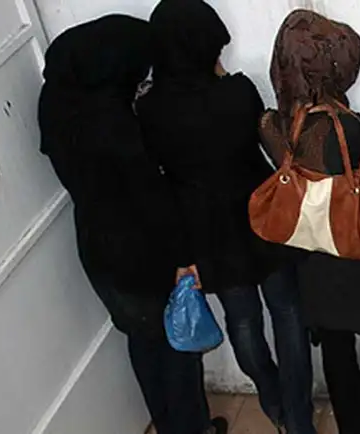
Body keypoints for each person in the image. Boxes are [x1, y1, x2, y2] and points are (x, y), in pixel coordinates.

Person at [38, 14, 226, 434]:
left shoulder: (58, 106)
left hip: (98, 247)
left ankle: (170, 425)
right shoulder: (112, 123)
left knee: (143, 341)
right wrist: (182, 260)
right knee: (176, 347)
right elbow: (151, 200)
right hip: (141, 251)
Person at [135, 1, 315, 433]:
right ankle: (299, 419)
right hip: (263, 215)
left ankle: (271, 399)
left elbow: (159, 178)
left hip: (207, 232)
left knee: (244, 322)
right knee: (288, 313)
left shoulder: (150, 108)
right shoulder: (238, 91)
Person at [260, 9, 360, 434]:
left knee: (335, 340)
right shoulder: (348, 126)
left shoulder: (270, 123)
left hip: (308, 251)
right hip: (351, 244)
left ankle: (351, 424)